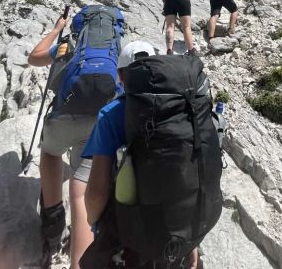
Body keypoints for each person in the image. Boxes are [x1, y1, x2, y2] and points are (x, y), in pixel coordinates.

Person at [81, 41, 203, 269]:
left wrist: (93, 222)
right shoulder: (181, 112)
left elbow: (97, 191)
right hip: (175, 236)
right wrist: (191, 241)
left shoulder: (111, 115)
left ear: (121, 76)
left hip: (127, 236)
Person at [28, 15, 95, 269]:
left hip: (65, 116)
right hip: (97, 121)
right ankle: (81, 262)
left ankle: (52, 228)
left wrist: (57, 28)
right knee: (81, 192)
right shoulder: (112, 49)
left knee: (51, 153)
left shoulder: (70, 44)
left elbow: (34, 57)